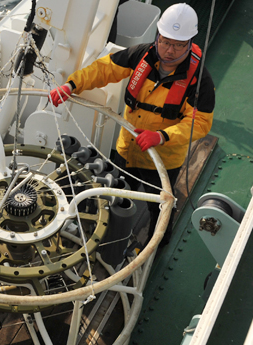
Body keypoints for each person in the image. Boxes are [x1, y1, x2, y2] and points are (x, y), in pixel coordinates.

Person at [49, 3, 215, 244]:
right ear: (158, 36)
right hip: (128, 147)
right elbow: (104, 69)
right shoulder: (140, 54)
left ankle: (159, 243)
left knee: (160, 206)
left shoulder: (200, 80)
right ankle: (108, 236)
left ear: (189, 43)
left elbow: (199, 123)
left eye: (179, 45)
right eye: (166, 41)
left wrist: (161, 136)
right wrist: (71, 85)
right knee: (116, 195)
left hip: (163, 159)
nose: (170, 50)